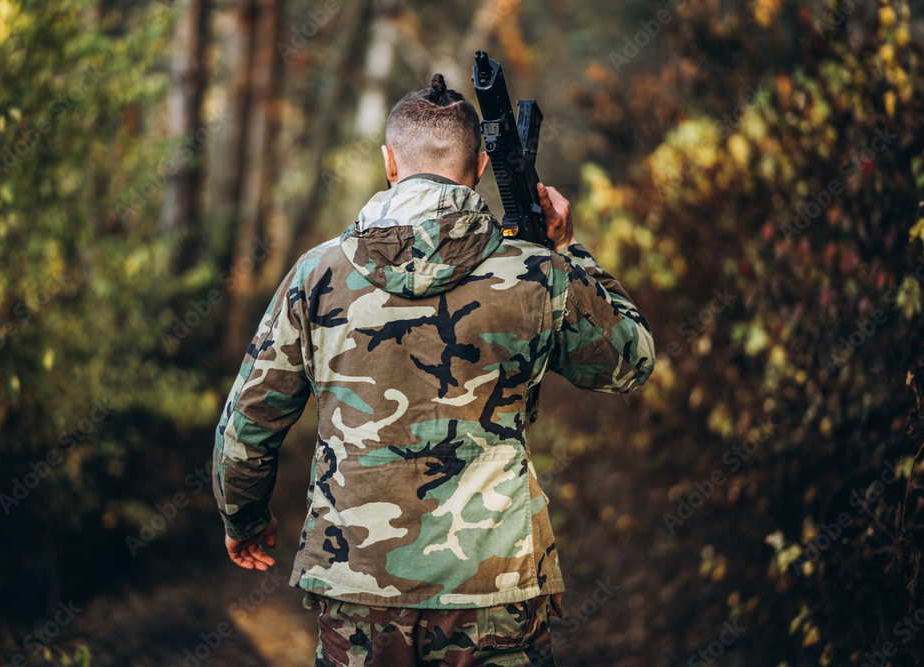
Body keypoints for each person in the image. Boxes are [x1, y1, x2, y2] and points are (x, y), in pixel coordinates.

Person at [213, 73, 655, 666]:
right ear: (477, 169)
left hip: (358, 586)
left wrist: (244, 517)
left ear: (390, 163)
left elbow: (248, 421)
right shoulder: (537, 273)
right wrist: (568, 250)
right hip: (496, 592)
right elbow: (631, 361)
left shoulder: (316, 275)